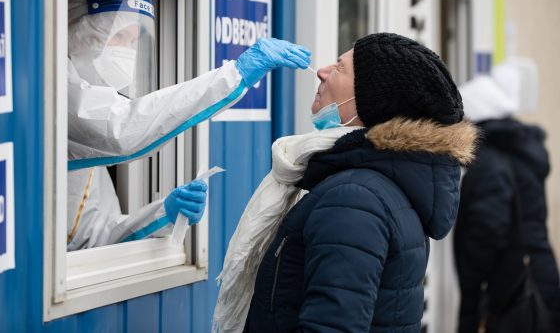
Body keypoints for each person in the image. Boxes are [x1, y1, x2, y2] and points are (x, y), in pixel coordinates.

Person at [213, 33, 478, 332]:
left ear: (371, 103)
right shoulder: (373, 189)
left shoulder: (354, 199)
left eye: (340, 68)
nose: (323, 72)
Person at [66, 0, 311, 250]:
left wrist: (164, 214)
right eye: (119, 36)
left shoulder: (87, 134)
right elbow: (122, 129)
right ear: (75, 27)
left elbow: (90, 237)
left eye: (134, 41)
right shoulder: (54, 89)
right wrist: (235, 75)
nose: (128, 52)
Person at [454, 64, 560, 332]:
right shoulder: (519, 155)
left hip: (511, 292)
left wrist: (472, 294)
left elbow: (487, 233)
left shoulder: (490, 165)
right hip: (537, 277)